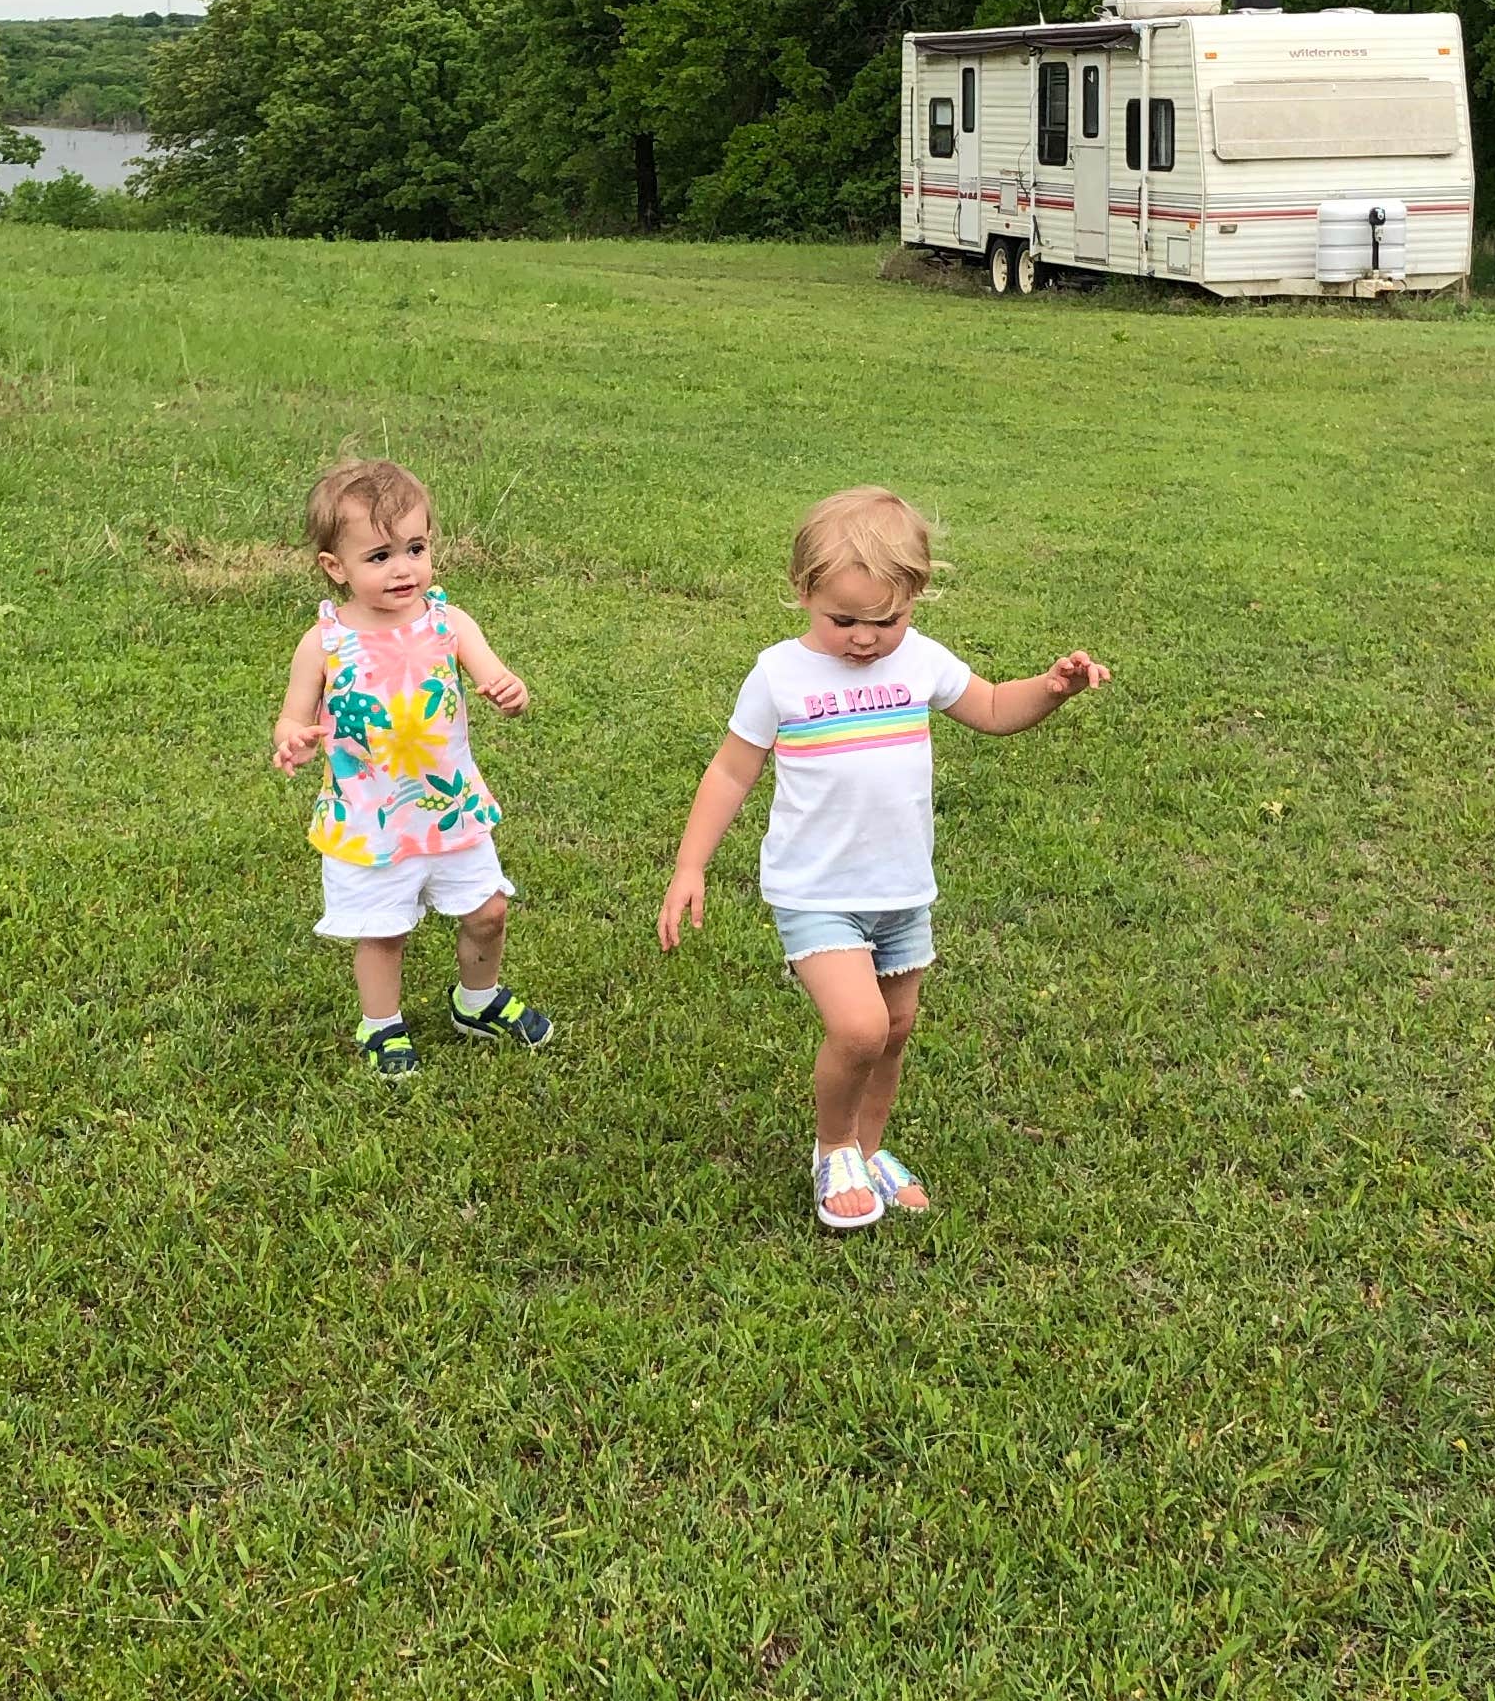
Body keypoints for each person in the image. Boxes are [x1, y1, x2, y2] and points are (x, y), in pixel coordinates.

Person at [657, 485, 1109, 1231]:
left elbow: (994, 708)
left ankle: (868, 1152)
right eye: (844, 620)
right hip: (816, 891)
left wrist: (1053, 689)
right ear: (804, 592)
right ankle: (833, 1146)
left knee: (896, 1031)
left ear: (915, 599)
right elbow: (732, 770)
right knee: (861, 1027)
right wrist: (690, 865)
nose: (864, 639)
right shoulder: (780, 675)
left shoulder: (921, 661)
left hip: (902, 889)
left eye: (886, 620)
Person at [273, 457, 552, 1078]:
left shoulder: (448, 622)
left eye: (415, 547)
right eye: (379, 556)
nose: (403, 568)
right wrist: (295, 738)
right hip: (368, 817)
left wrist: (509, 690)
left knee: (488, 912)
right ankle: (382, 1025)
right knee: (383, 931)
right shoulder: (325, 642)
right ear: (334, 567)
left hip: (450, 807)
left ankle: (475, 1001)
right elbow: (292, 717)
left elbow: (494, 674)